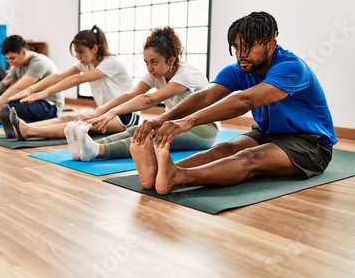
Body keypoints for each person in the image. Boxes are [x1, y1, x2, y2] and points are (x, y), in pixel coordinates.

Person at [131, 11, 337, 195]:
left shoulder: (292, 68)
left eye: (248, 46)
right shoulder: (241, 68)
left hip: (311, 143)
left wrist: (188, 121)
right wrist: (163, 118)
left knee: (250, 157)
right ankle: (160, 172)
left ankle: (178, 178)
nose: (241, 54)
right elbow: (204, 97)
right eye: (237, 47)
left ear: (271, 45)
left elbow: (245, 100)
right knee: (224, 149)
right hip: (270, 133)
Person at [64, 26, 219, 161]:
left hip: (204, 128)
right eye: (146, 62)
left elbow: (149, 99)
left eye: (154, 62)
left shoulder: (186, 75)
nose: (149, 68)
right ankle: (88, 144)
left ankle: (98, 151)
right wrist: (101, 110)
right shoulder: (157, 73)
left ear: (171, 60)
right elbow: (130, 94)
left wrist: (113, 112)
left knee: (154, 137)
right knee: (138, 129)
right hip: (175, 123)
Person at [1, 25, 136, 140]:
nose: (78, 56)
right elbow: (60, 75)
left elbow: (79, 79)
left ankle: (29, 131)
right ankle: (20, 127)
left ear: (95, 49)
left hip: (124, 116)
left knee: (76, 125)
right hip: (104, 110)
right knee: (69, 117)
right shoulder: (86, 62)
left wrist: (44, 93)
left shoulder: (111, 62)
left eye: (81, 52)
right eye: (76, 52)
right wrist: (31, 89)